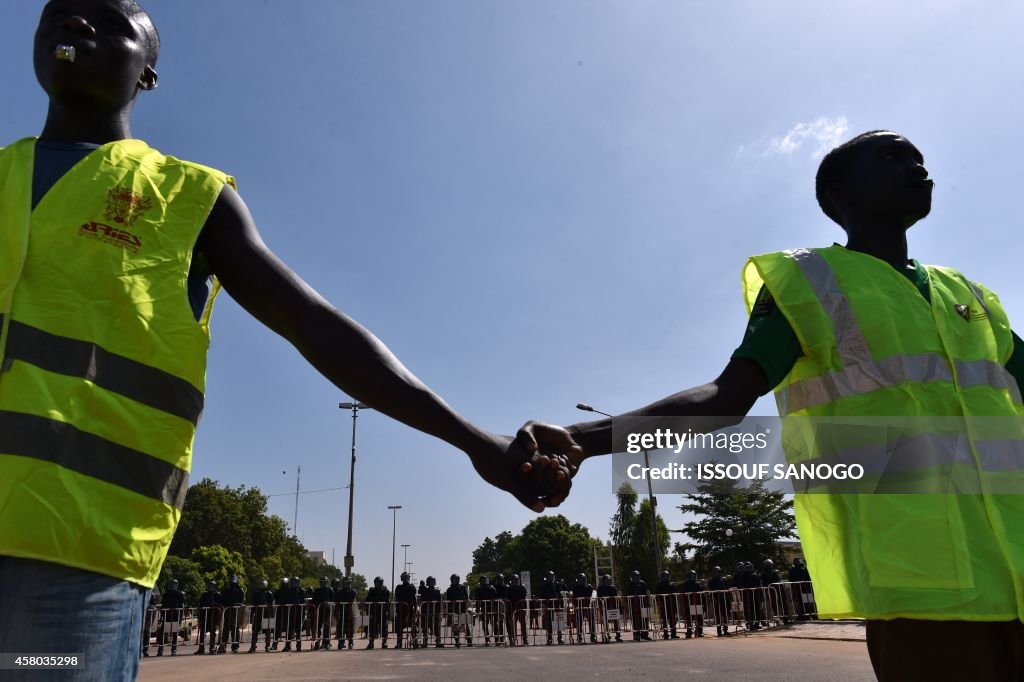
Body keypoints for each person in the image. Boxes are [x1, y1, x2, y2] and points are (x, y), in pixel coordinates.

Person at [0, 2, 579, 677]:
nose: (76, 26)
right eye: (58, 17)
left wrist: (476, 442)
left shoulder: (187, 198)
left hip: (74, 552)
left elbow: (315, 325)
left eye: (107, 22)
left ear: (148, 73)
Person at [519, 130, 1024, 680]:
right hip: (929, 582)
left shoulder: (969, 297)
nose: (918, 167)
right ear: (840, 195)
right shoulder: (810, 283)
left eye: (919, 158)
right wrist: (585, 441)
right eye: (891, 157)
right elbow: (726, 397)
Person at [158, 579, 186, 655]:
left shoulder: (179, 594)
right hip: (167, 615)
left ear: (177, 585)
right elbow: (163, 605)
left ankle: (174, 649)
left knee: (174, 633)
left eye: (174, 584)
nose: (172, 586)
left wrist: (180, 618)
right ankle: (160, 649)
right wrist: (161, 617)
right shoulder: (166, 594)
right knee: (163, 632)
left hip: (176, 615)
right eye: (171, 584)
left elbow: (181, 606)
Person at [218, 574, 245, 653]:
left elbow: (241, 600)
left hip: (235, 612)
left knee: (235, 629)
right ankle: (223, 646)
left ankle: (235, 646)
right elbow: (222, 600)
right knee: (226, 630)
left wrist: (236, 605)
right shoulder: (227, 590)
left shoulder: (240, 590)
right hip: (227, 612)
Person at [537, 570, 564, 646]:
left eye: (553, 576)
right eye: (550, 576)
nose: (552, 578)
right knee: (549, 623)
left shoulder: (557, 584)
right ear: (547, 577)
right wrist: (543, 604)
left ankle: (560, 638)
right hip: (548, 605)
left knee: (559, 622)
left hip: (556, 605)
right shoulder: (544, 585)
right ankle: (549, 638)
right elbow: (542, 596)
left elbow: (560, 594)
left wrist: (561, 604)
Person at [248, 579, 275, 653]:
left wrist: (271, 615)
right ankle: (253, 646)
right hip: (258, 614)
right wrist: (251, 615)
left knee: (267, 631)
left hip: (267, 614)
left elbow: (271, 604)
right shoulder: (256, 594)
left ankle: (267, 646)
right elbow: (253, 604)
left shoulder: (269, 593)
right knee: (255, 631)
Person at [195, 581, 221, 655]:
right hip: (204, 616)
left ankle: (211, 648)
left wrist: (214, 605)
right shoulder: (204, 595)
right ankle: (201, 648)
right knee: (202, 632)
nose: (210, 587)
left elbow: (220, 604)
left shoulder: (217, 595)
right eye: (209, 585)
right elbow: (200, 604)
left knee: (213, 633)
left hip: (213, 617)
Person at [446, 574, 471, 647]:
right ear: (452, 580)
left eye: (458, 579)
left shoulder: (462, 587)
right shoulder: (449, 589)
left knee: (465, 625)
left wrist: (467, 607)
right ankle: (457, 641)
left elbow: (466, 598)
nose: (457, 580)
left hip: (463, 609)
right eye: (456, 579)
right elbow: (448, 601)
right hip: (454, 610)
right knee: (455, 627)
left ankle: (469, 641)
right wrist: (449, 612)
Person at [595, 574, 622, 643]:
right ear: (603, 581)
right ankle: (607, 634)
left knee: (616, 622)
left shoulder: (613, 587)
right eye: (607, 580)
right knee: (605, 622)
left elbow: (616, 597)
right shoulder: (600, 588)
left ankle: (618, 635)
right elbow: (599, 598)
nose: (608, 581)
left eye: (609, 580)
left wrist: (620, 607)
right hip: (604, 608)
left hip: (613, 607)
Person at [571, 573, 597, 644]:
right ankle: (579, 636)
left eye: (584, 579)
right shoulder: (576, 588)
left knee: (591, 621)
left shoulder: (589, 587)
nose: (583, 580)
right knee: (579, 622)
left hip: (588, 606)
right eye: (581, 579)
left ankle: (593, 635)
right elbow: (574, 597)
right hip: (580, 607)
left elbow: (590, 594)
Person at [394, 572, 418, 649]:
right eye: (404, 577)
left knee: (414, 626)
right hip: (401, 610)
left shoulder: (412, 587)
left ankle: (414, 641)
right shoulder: (399, 587)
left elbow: (414, 598)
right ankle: (399, 642)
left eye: (407, 577)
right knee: (399, 627)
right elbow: (397, 597)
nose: (406, 579)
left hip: (410, 610)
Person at [365, 576, 390, 649]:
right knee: (372, 627)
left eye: (380, 582)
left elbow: (388, 602)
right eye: (377, 582)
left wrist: (388, 612)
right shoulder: (372, 590)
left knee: (384, 627)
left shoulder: (386, 591)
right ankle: (371, 643)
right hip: (374, 612)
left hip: (383, 612)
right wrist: (368, 611)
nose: (379, 584)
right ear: (375, 583)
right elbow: (367, 601)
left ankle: (384, 642)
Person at [707, 566, 732, 637]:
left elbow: (727, 589)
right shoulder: (711, 582)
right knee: (718, 617)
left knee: (726, 616)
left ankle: (725, 630)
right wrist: (713, 600)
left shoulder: (723, 580)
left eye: (718, 572)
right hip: (717, 601)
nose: (717, 573)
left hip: (725, 600)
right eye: (716, 572)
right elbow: (711, 592)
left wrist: (729, 599)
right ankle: (719, 631)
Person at [473, 575, 499, 646]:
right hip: (484, 609)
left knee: (494, 625)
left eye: (484, 580)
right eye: (483, 580)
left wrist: (497, 609)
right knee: (485, 625)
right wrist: (478, 610)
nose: (484, 582)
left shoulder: (491, 588)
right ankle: (487, 639)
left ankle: (496, 639)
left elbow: (496, 599)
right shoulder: (479, 590)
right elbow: (478, 601)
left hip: (492, 608)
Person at [334, 576, 357, 650]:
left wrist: (354, 614)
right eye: (345, 583)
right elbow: (336, 603)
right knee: (341, 629)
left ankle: (350, 643)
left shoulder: (353, 592)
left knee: (350, 629)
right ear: (343, 583)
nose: (347, 584)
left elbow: (355, 603)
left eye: (348, 583)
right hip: (342, 612)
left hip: (350, 612)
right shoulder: (339, 592)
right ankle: (341, 643)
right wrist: (336, 613)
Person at [653, 571, 678, 640]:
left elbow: (675, 594)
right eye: (665, 576)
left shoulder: (671, 584)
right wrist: (659, 604)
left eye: (667, 575)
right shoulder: (659, 585)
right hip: (663, 605)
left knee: (673, 620)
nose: (666, 577)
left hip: (671, 604)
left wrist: (675, 604)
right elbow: (657, 595)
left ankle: (673, 634)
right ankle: (666, 634)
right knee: (664, 620)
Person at [420, 576, 443, 648]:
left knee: (437, 627)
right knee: (425, 627)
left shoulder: (437, 591)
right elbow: (422, 601)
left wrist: (440, 612)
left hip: (435, 612)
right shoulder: (424, 591)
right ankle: (425, 641)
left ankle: (438, 641)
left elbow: (439, 602)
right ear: (428, 582)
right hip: (426, 612)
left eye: (433, 581)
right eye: (430, 581)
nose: (432, 583)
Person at [506, 574, 529, 646]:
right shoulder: (509, 588)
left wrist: (524, 608)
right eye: (514, 580)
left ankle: (525, 639)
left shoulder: (522, 587)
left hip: (521, 608)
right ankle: (513, 638)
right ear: (512, 581)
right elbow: (508, 599)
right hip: (512, 608)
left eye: (517, 580)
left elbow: (524, 597)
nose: (516, 581)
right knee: (513, 625)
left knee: (523, 624)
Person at [312, 577, 334, 650]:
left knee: (326, 626)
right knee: (317, 627)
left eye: (324, 582)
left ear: (327, 582)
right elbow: (314, 600)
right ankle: (317, 643)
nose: (323, 583)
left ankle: (326, 643)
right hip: (318, 610)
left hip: (327, 609)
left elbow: (333, 600)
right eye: (321, 582)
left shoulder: (329, 590)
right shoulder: (317, 590)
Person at [680, 570, 703, 638]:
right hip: (689, 603)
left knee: (699, 618)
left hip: (697, 603)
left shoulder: (697, 583)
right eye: (692, 575)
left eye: (694, 575)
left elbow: (701, 592)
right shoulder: (686, 584)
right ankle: (689, 632)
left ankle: (699, 631)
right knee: (689, 619)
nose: (693, 577)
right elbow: (683, 593)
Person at [140, 584, 160, 658]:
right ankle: (143, 650)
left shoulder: (152, 584)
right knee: (144, 631)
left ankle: (145, 649)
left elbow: (157, 596)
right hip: (142, 607)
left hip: (148, 608)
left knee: (146, 631)